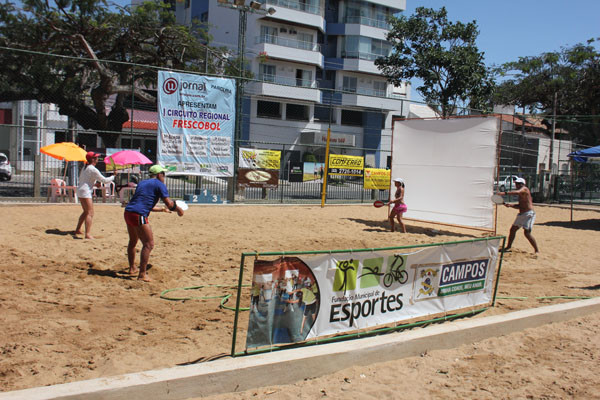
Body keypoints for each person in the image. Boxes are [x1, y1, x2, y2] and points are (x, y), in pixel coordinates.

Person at [124, 164, 184, 282]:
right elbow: (169, 204)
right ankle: (142, 274)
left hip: (128, 212)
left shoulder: (142, 183)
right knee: (149, 244)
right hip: (139, 214)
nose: (164, 177)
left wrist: (161, 210)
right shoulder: (159, 184)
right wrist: (179, 209)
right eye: (163, 174)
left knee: (133, 241)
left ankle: (132, 268)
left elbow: (144, 203)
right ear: (159, 175)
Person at [75, 151, 115, 239]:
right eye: (96, 157)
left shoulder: (85, 167)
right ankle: (87, 234)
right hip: (85, 192)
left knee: (86, 212)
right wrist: (113, 176)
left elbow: (85, 180)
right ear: (92, 159)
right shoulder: (92, 168)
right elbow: (104, 180)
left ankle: (78, 229)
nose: (97, 159)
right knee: (90, 213)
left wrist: (94, 184)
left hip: (80, 190)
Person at [497, 177, 539, 254]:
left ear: (522, 184)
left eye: (518, 183)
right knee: (512, 230)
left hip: (529, 214)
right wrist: (511, 205)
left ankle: (536, 250)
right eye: (516, 183)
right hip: (521, 214)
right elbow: (520, 206)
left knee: (527, 233)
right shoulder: (521, 193)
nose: (517, 185)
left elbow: (517, 192)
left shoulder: (524, 189)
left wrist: (504, 193)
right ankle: (508, 247)